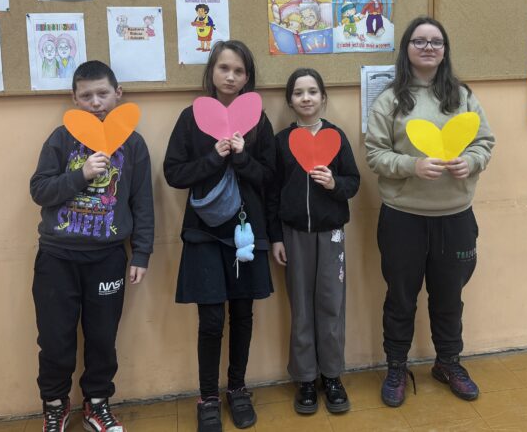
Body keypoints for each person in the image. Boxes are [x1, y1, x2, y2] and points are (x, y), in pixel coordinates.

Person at [365, 17, 495, 407]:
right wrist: (412, 165)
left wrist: (471, 161)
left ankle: (448, 363)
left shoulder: (462, 96)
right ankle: (396, 367)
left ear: (444, 50)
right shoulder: (390, 99)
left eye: (436, 42)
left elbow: (484, 142)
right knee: (400, 297)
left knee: (449, 297)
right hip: (402, 216)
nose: (428, 47)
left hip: (454, 216)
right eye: (419, 41)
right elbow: (375, 154)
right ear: (406, 48)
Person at [29, 60, 155, 432]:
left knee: (102, 337)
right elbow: (39, 190)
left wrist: (142, 252)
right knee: (55, 338)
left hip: (108, 258)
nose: (96, 102)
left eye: (103, 93)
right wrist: (81, 174)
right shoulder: (61, 139)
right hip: (57, 257)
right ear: (74, 99)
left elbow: (142, 203)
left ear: (118, 94)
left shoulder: (133, 144)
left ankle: (97, 404)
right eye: (86, 96)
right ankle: (55, 405)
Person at [163, 41, 278, 432]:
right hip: (204, 234)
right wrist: (214, 156)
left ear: (248, 78)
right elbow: (174, 174)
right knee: (211, 319)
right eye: (224, 68)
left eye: (239, 71)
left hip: (247, 234)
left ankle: (238, 389)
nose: (231, 76)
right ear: (211, 71)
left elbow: (269, 178)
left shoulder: (258, 121)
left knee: (243, 314)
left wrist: (242, 157)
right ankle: (208, 396)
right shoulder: (190, 118)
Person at [268, 69, 360, 415]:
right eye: (298, 92)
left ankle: (332, 376)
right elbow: (271, 194)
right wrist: (276, 237)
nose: (305, 98)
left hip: (331, 235)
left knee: (331, 305)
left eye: (312, 91)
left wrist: (334, 184)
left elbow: (353, 182)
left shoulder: (337, 137)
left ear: (323, 97)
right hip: (294, 236)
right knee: (302, 309)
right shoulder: (280, 141)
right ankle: (306, 378)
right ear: (290, 100)